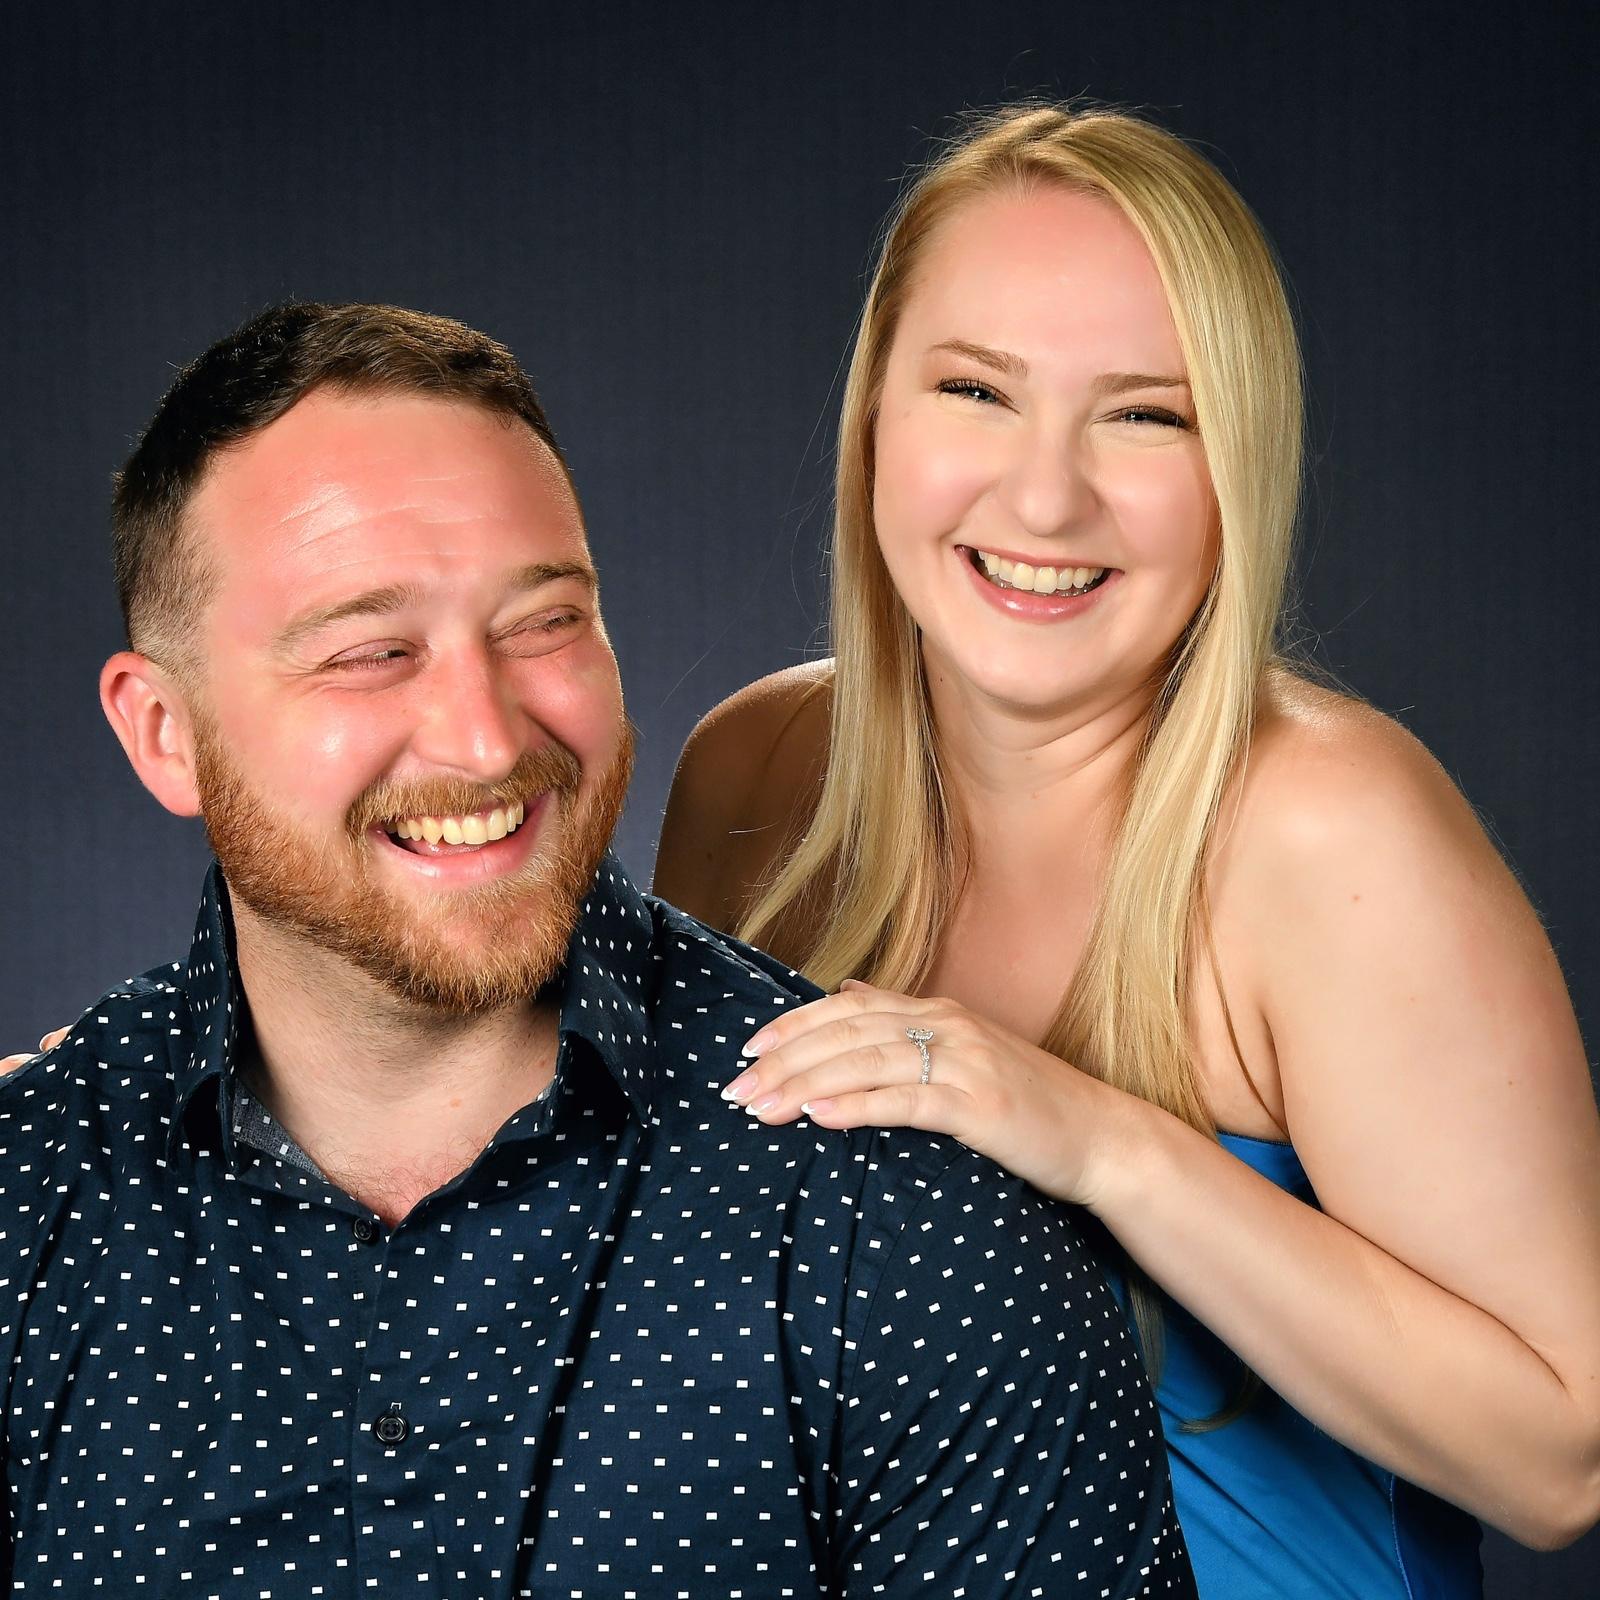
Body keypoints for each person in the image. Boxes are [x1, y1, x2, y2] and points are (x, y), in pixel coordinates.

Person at [0, 302, 1196, 1596]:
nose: (485, 738)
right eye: (372, 654)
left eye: (544, 623)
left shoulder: (916, 1240)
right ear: (165, 734)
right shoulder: (31, 1200)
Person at [653, 105, 1600, 1598]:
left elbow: (1560, 1463)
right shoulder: (756, 772)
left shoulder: (1326, 828)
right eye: (976, 390)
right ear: (876, 416)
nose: (1045, 499)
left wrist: (1098, 1143)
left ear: (1238, 467)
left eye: (1146, 415)